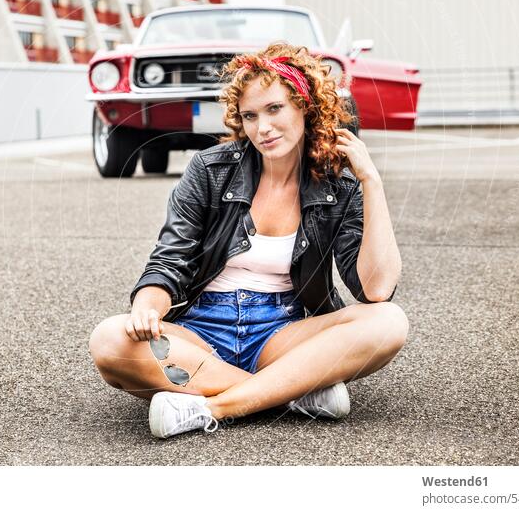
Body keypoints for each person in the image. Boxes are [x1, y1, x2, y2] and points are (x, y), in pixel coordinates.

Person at [88, 42, 408, 439]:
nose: (263, 128)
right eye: (250, 116)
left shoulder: (338, 185)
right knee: (109, 341)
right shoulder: (210, 169)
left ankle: (214, 405)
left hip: (281, 334)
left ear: (304, 107)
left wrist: (370, 182)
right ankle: (292, 391)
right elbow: (169, 259)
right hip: (200, 331)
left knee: (389, 322)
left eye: (275, 109)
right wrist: (146, 306)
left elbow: (376, 289)